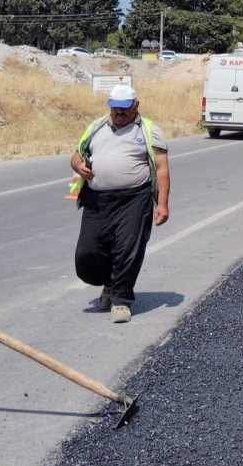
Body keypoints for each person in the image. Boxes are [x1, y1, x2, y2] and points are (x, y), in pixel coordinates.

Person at [68, 84, 170, 324]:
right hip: (97, 200)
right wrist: (77, 166)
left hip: (134, 199)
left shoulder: (148, 130)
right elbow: (76, 155)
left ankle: (121, 300)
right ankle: (111, 283)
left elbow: (162, 168)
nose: (119, 113)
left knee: (127, 251)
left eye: (124, 109)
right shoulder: (96, 127)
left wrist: (162, 204)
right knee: (87, 256)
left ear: (136, 106)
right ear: (109, 107)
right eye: (115, 108)